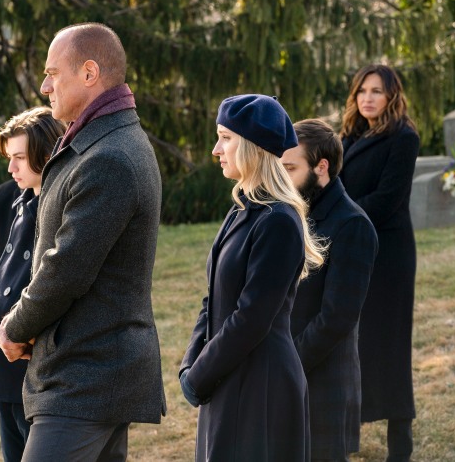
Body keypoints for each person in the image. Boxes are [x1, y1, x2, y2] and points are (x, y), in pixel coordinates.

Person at [0, 22, 165, 461]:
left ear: (89, 73)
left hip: (88, 375)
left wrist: (16, 327)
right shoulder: (101, 142)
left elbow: (65, 268)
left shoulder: (108, 156)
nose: (44, 85)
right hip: (87, 370)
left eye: (54, 73)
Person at [179, 94, 327, 462]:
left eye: (225, 138)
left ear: (252, 146)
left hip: (262, 385)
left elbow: (252, 317)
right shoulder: (243, 208)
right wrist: (191, 364)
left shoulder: (278, 220)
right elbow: (213, 299)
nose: (216, 149)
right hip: (228, 375)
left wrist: (200, 376)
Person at [0, 107, 66, 462]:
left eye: (20, 158)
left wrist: (19, 321)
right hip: (2, 349)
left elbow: (59, 277)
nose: (11, 168)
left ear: (47, 152)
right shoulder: (11, 195)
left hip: (34, 353)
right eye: (10, 158)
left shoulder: (65, 201)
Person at [281, 119, 379, 462]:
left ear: (321, 167)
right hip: (286, 376)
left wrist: (286, 364)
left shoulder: (352, 225)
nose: (281, 177)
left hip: (323, 383)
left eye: (290, 168)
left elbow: (337, 318)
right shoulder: (291, 212)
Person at [338, 65, 420, 462]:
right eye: (362, 91)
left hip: (389, 255)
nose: (368, 98)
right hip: (352, 250)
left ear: (392, 96)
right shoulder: (348, 136)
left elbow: (387, 200)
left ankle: (400, 440)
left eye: (377, 91)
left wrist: (339, 219)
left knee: (388, 344)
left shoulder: (403, 137)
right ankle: (345, 427)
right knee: (350, 342)